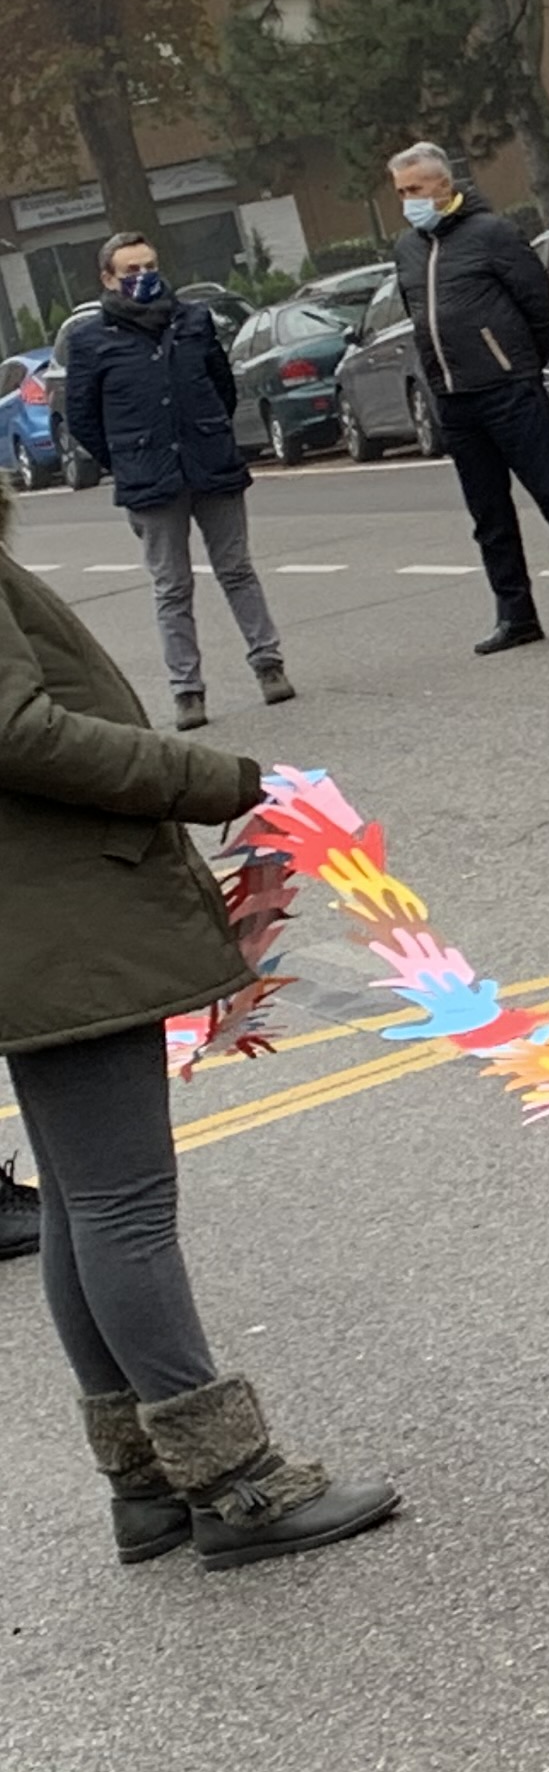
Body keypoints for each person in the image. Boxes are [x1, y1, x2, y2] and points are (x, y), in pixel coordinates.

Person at [1, 487, 399, 1570]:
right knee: (122, 1205)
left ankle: (144, 1481)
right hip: (57, 913)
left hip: (34, 918)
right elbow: (21, 731)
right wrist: (215, 781)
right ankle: (234, 1484)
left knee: (86, 1202)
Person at [63, 235, 291, 729]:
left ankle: (268, 663)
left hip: (210, 462)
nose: (142, 276)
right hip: (148, 476)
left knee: (236, 568)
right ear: (108, 279)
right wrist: (125, 458)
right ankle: (187, 691)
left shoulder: (192, 320)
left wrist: (207, 430)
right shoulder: (91, 340)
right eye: (130, 270)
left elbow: (220, 385)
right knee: (171, 586)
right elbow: (83, 417)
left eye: (149, 265)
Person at [386, 142, 549, 653]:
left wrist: (517, 366)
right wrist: (439, 380)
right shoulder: (408, 249)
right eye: (399, 192)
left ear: (444, 185)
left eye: (415, 190)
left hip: (508, 390)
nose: (407, 201)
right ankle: (515, 614)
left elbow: (539, 308)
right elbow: (419, 316)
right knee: (488, 515)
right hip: (455, 399)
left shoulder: (493, 235)